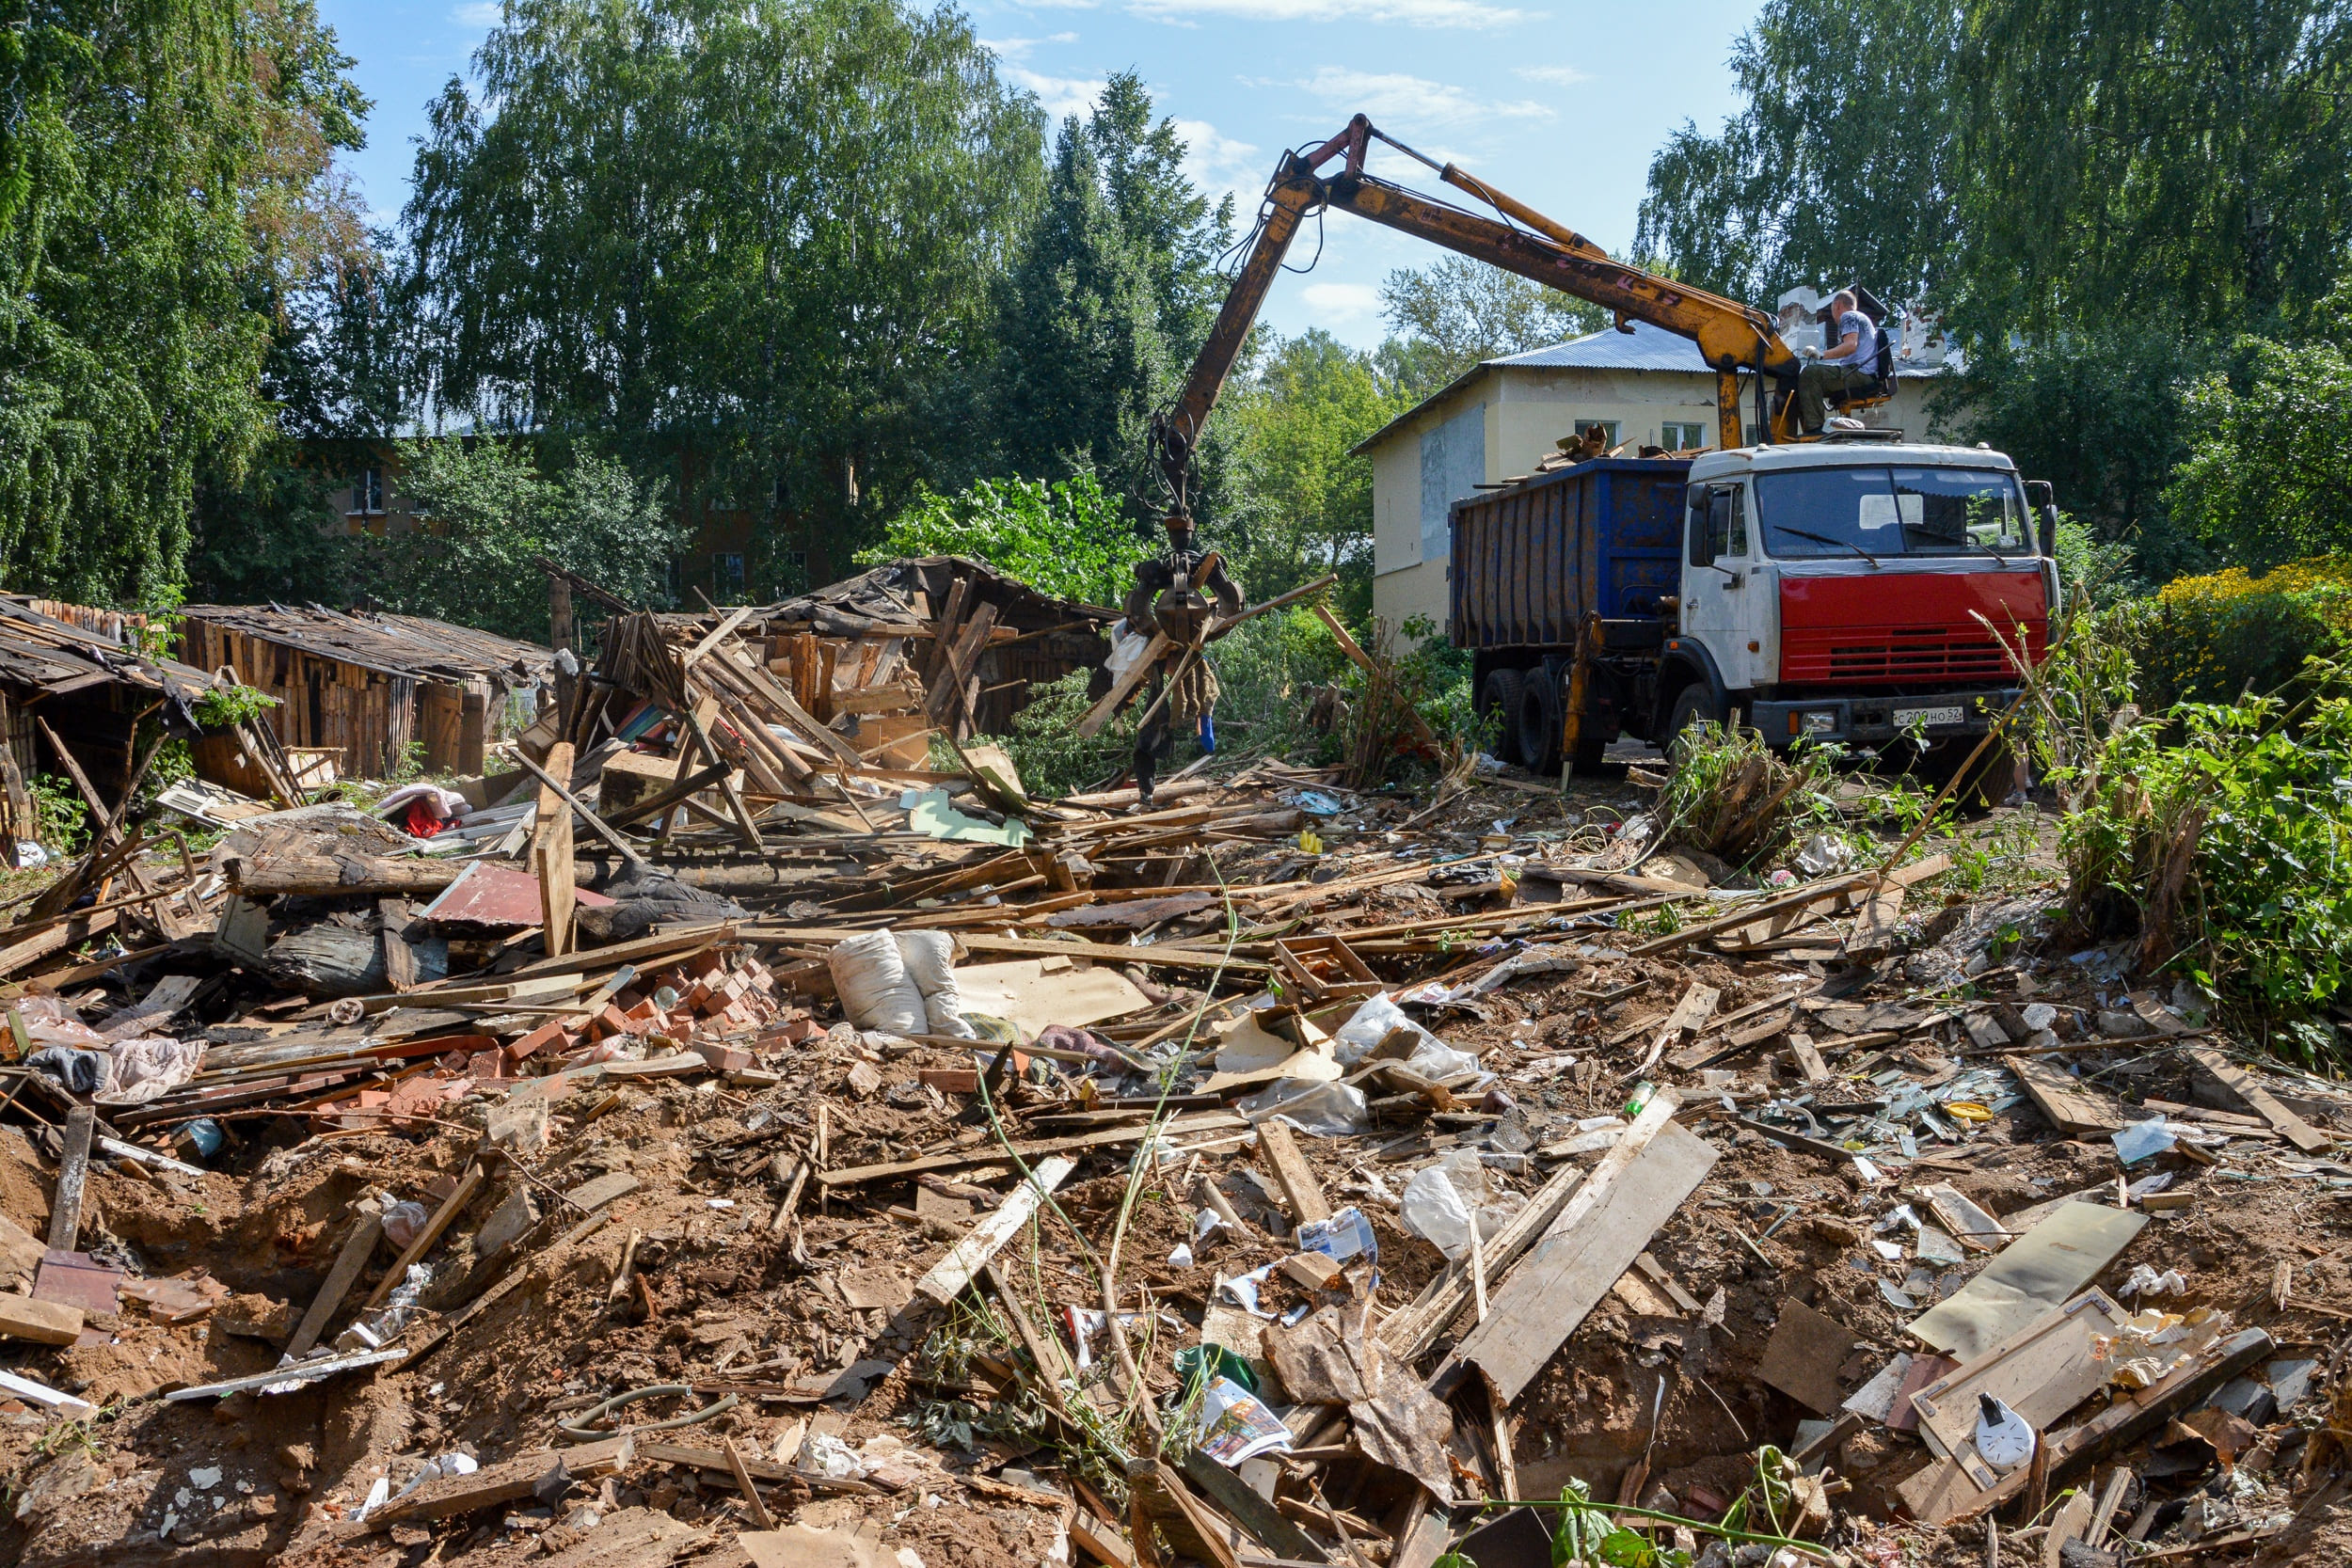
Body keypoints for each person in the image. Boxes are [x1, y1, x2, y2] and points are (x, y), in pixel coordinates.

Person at [1118, 515, 1242, 811]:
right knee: (1147, 734)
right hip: (1162, 650)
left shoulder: (1196, 674)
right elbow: (1136, 613)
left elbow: (1229, 608)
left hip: (1179, 649)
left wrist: (1217, 575)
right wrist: (1148, 577)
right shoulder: (1159, 664)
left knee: (1198, 713)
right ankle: (1147, 793)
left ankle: (1199, 777)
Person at [1793, 289, 1882, 435]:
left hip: (1859, 374)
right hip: (1862, 374)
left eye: (1832, 310)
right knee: (1809, 382)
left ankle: (1814, 429)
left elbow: (1850, 345)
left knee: (1809, 374)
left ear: (1837, 306)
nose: (1834, 317)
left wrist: (1821, 355)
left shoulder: (1848, 316)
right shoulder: (1862, 319)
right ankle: (1813, 427)